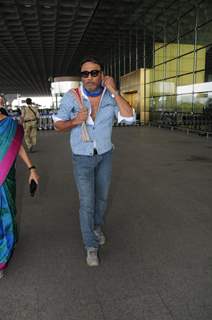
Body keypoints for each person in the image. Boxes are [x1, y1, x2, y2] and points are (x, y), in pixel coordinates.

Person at [53, 56, 135, 266]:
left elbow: (129, 117)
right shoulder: (72, 97)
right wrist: (74, 121)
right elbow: (57, 125)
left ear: (102, 75)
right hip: (82, 157)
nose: (89, 77)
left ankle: (96, 228)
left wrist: (115, 92)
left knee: (102, 199)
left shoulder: (110, 96)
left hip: (105, 155)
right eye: (85, 73)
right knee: (87, 203)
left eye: (94, 72)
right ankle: (90, 246)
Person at [0, 109, 39, 279]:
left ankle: (2, 256)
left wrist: (32, 168)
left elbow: (17, 147)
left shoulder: (8, 124)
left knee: (5, 212)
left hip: (4, 175)